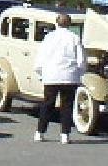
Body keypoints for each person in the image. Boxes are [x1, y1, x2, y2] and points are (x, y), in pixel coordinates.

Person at [33, 13, 85, 144]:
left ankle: (40, 132)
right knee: (67, 106)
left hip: (51, 74)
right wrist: (79, 73)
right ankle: (65, 134)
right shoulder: (75, 38)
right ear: (69, 24)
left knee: (47, 104)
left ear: (56, 23)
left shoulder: (49, 38)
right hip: (69, 75)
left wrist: (40, 72)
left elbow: (41, 57)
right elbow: (81, 60)